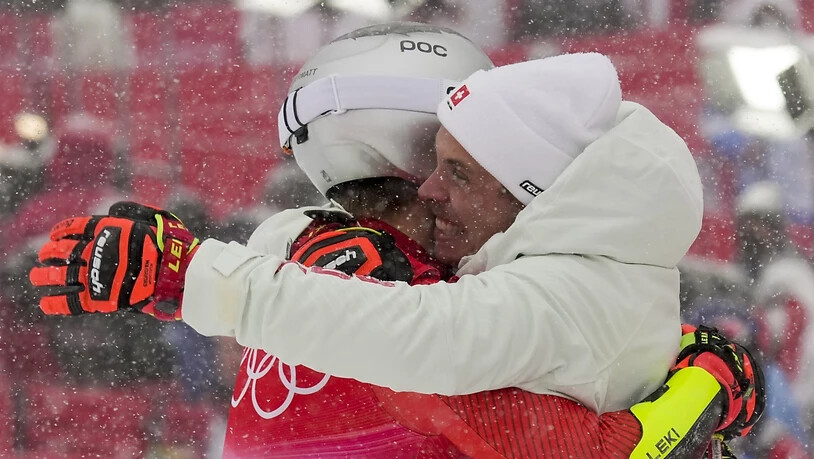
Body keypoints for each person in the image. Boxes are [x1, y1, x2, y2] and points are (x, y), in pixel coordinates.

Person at [29, 26, 763, 457]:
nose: (441, 197)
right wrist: (683, 401)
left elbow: (474, 344)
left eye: (460, 174)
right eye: (436, 171)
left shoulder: (334, 258)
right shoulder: (348, 263)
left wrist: (181, 275)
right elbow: (446, 365)